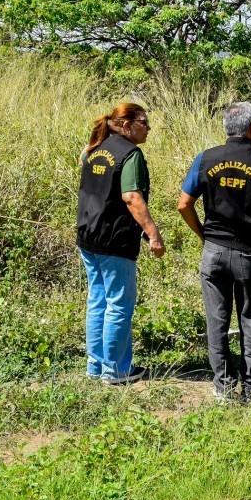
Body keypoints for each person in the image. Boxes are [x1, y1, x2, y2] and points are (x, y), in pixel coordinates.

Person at [178, 102, 251, 402]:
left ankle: (224, 387)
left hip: (213, 252)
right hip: (250, 254)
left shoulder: (205, 158)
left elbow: (183, 204)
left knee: (217, 320)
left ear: (227, 128)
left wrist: (203, 234)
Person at [76, 102, 165, 384]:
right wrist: (153, 233)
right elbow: (132, 197)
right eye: (144, 122)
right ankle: (115, 371)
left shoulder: (95, 149)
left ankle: (95, 366)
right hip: (114, 239)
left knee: (98, 300)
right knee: (118, 304)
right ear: (126, 125)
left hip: (88, 236)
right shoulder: (130, 154)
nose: (148, 128)